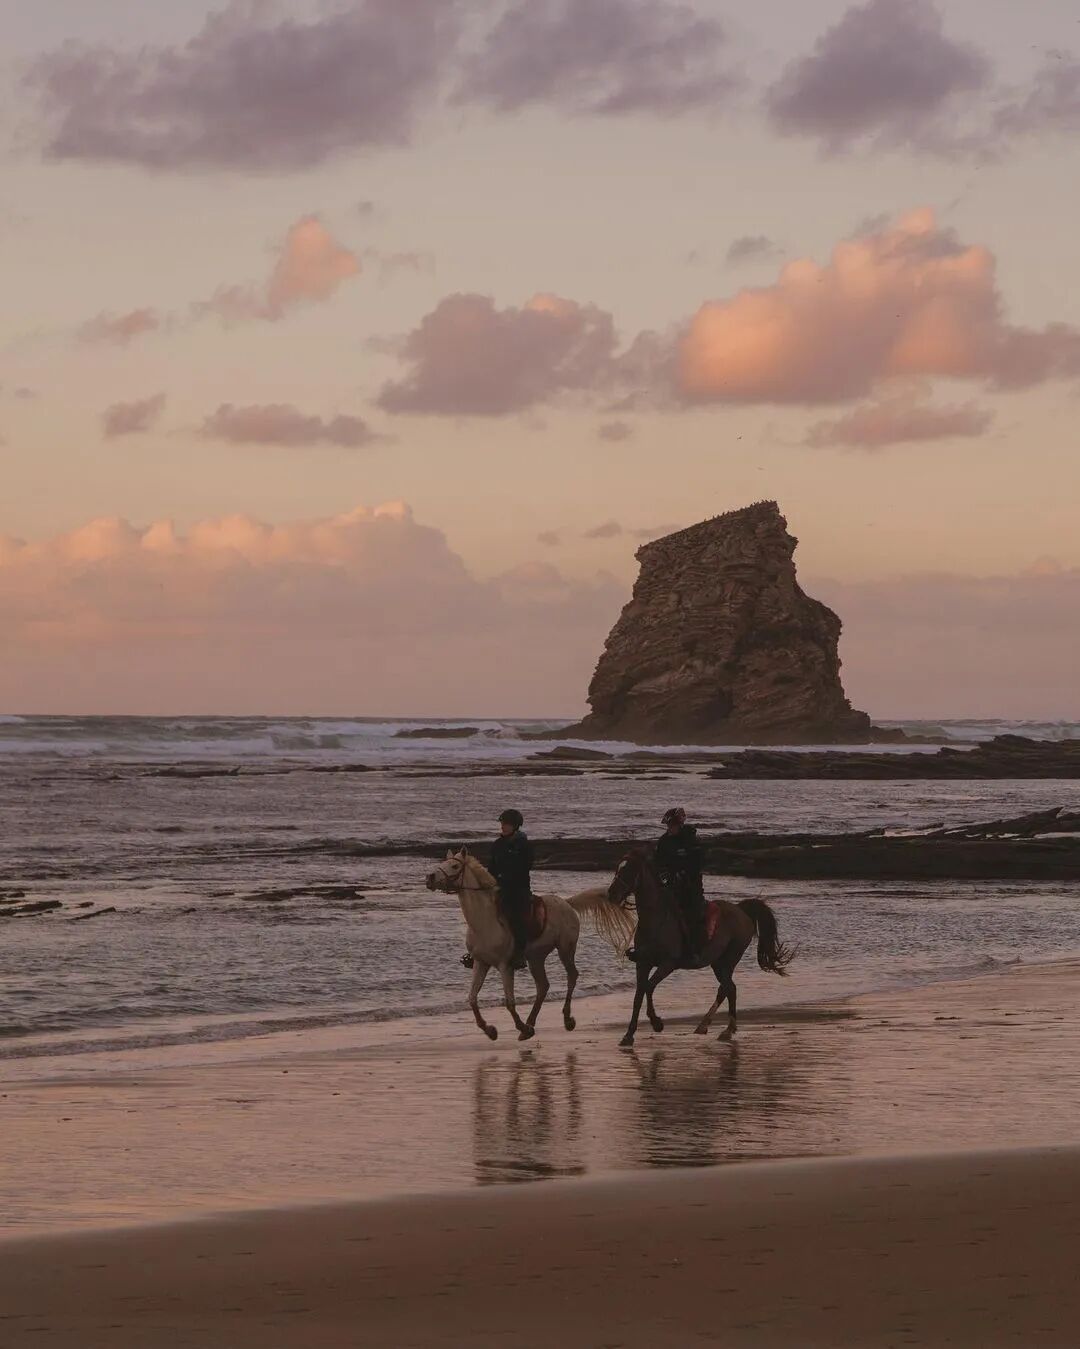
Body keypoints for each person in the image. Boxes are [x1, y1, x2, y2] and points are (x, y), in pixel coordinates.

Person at [655, 807, 707, 959]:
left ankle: (694, 948)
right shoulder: (664, 841)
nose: (669, 829)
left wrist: (684, 873)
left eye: (672, 826)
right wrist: (660, 875)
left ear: (680, 825)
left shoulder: (690, 840)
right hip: (669, 883)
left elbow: (698, 862)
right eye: (668, 826)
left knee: (693, 912)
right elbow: (658, 861)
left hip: (690, 884)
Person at [489, 808, 534, 970]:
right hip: (499, 888)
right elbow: (491, 868)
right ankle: (477, 950)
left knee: (516, 916)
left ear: (515, 826)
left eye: (506, 824)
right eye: (502, 823)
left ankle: (519, 953)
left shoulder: (523, 845)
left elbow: (525, 867)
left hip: (518, 889)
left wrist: (505, 878)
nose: (503, 826)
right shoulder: (497, 845)